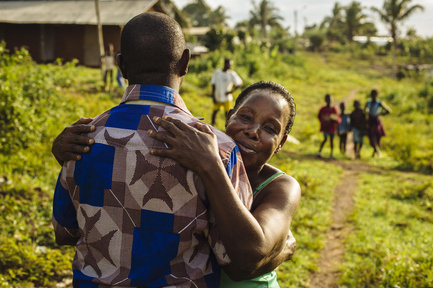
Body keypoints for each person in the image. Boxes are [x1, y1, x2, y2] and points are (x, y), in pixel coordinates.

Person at [51, 12, 253, 287]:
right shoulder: (218, 150)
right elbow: (233, 254)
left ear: (121, 66)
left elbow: (64, 232)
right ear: (185, 63)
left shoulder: (78, 139)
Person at [53, 81, 301, 287]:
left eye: (270, 128)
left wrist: (212, 166)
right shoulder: (195, 153)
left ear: (281, 142)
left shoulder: (280, 187)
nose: (253, 131)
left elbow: (244, 264)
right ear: (228, 118)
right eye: (245, 117)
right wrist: (68, 155)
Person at [211, 59, 243, 126]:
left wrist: (231, 91)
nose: (230, 66)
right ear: (225, 64)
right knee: (215, 111)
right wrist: (213, 96)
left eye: (231, 65)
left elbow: (239, 83)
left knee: (227, 114)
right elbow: (213, 84)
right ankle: (212, 125)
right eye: (229, 64)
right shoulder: (217, 72)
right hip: (218, 96)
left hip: (227, 98)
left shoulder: (231, 74)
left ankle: (227, 126)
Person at [364, 89, 391, 157]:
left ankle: (377, 151)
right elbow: (365, 110)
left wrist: (381, 114)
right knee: (371, 136)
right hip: (370, 120)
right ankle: (376, 151)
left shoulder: (379, 103)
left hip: (375, 121)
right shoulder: (368, 102)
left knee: (374, 136)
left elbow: (388, 110)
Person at [317, 94, 340, 159]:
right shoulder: (323, 109)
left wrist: (335, 120)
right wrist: (322, 122)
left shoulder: (334, 109)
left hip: (332, 127)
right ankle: (319, 151)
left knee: (332, 140)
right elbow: (319, 116)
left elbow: (337, 118)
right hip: (325, 127)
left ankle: (331, 154)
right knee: (325, 139)